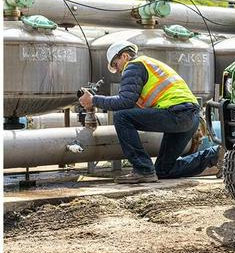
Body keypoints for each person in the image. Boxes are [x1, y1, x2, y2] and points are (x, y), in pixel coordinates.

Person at [78, 40, 220, 184]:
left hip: (177, 113)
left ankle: (143, 169)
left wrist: (94, 100)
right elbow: (136, 105)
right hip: (190, 116)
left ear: (125, 56)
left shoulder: (133, 66)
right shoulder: (149, 64)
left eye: (116, 64)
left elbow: (124, 102)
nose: (118, 70)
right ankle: (215, 155)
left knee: (121, 117)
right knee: (163, 170)